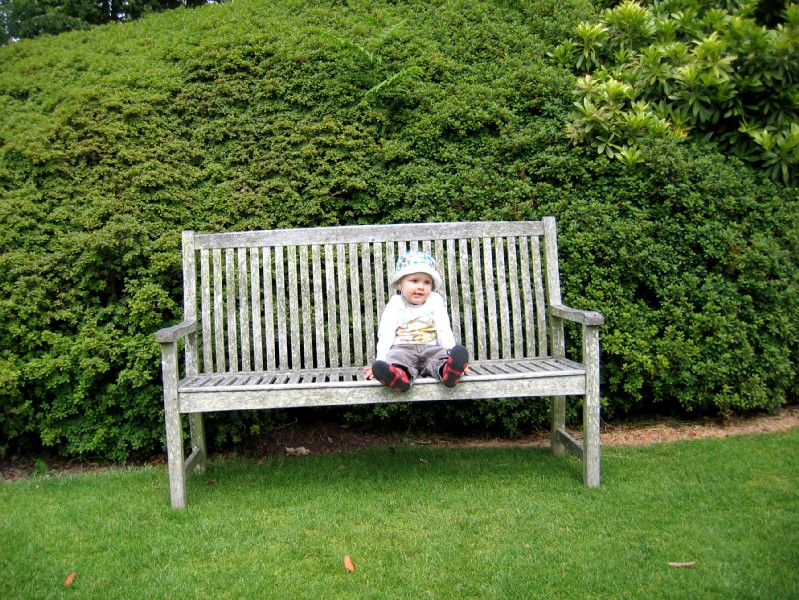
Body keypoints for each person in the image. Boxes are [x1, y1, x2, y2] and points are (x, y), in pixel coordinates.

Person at [364, 250, 469, 392]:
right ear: (400, 283)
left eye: (427, 282)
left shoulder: (435, 301)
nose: (421, 286)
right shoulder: (395, 304)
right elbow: (386, 333)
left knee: (441, 357)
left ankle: (449, 370)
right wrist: (380, 360)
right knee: (395, 358)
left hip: (430, 349)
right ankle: (398, 376)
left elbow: (443, 329)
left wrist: (451, 353)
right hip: (403, 350)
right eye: (414, 281)